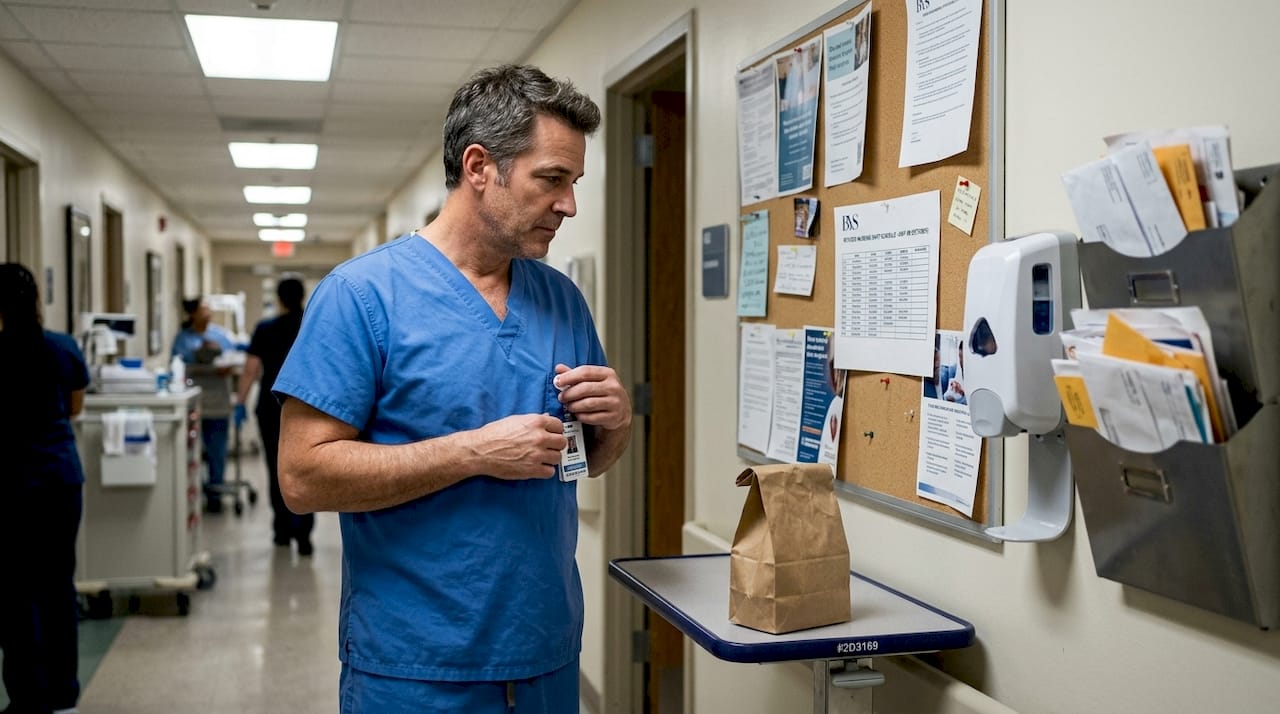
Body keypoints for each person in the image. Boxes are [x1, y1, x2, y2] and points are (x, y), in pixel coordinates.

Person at [274, 64, 632, 712]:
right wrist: (471, 453)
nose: (568, 205)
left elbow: (584, 459)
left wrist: (617, 426)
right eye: (551, 179)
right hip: (416, 669)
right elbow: (302, 478)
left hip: (547, 654)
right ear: (479, 166)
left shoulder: (560, 299)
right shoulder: (361, 296)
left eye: (573, 183)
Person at [0, 263, 89, 714]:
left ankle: (27, 696)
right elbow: (74, 407)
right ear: (37, 300)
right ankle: (64, 692)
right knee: (58, 584)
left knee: (15, 591)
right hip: (58, 479)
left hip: (9, 485)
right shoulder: (60, 347)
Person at [234, 277, 314, 554]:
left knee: (276, 467)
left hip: (271, 407)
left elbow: (250, 369)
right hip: (308, 407)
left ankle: (281, 530)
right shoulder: (312, 324)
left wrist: (239, 402)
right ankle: (303, 535)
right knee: (306, 468)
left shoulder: (265, 329)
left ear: (279, 299)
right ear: (303, 296)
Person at [171, 296, 235, 513]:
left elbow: (232, 359)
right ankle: (191, 492)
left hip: (218, 400)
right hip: (193, 400)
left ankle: (214, 493)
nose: (208, 312)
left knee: (217, 450)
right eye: (203, 308)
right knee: (191, 450)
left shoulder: (221, 336)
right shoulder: (183, 339)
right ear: (193, 314)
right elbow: (177, 365)